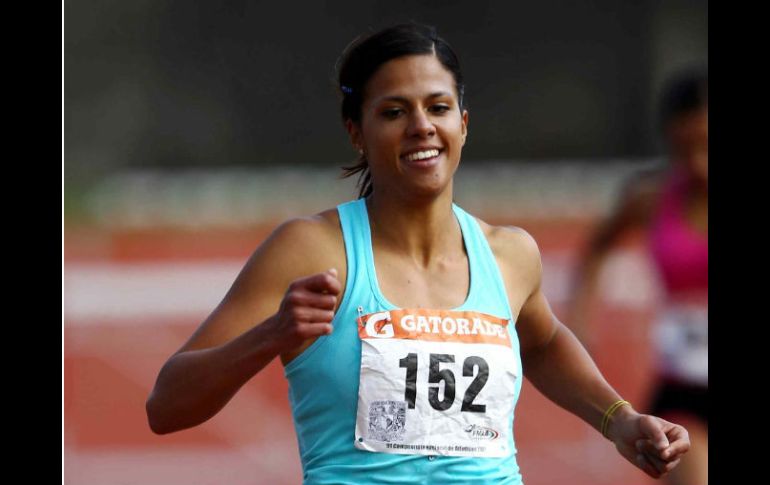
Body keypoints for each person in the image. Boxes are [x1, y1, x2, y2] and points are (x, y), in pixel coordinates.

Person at [146, 23, 690, 484]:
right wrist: (271, 335)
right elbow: (166, 407)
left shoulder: (510, 255)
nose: (422, 126)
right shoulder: (311, 250)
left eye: (438, 107)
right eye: (393, 112)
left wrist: (619, 418)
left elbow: (542, 343)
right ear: (356, 131)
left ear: (463, 124)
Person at [568, 69, 707, 485]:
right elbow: (596, 247)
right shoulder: (652, 197)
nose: (698, 161)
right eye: (686, 147)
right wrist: (580, 319)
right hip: (683, 389)